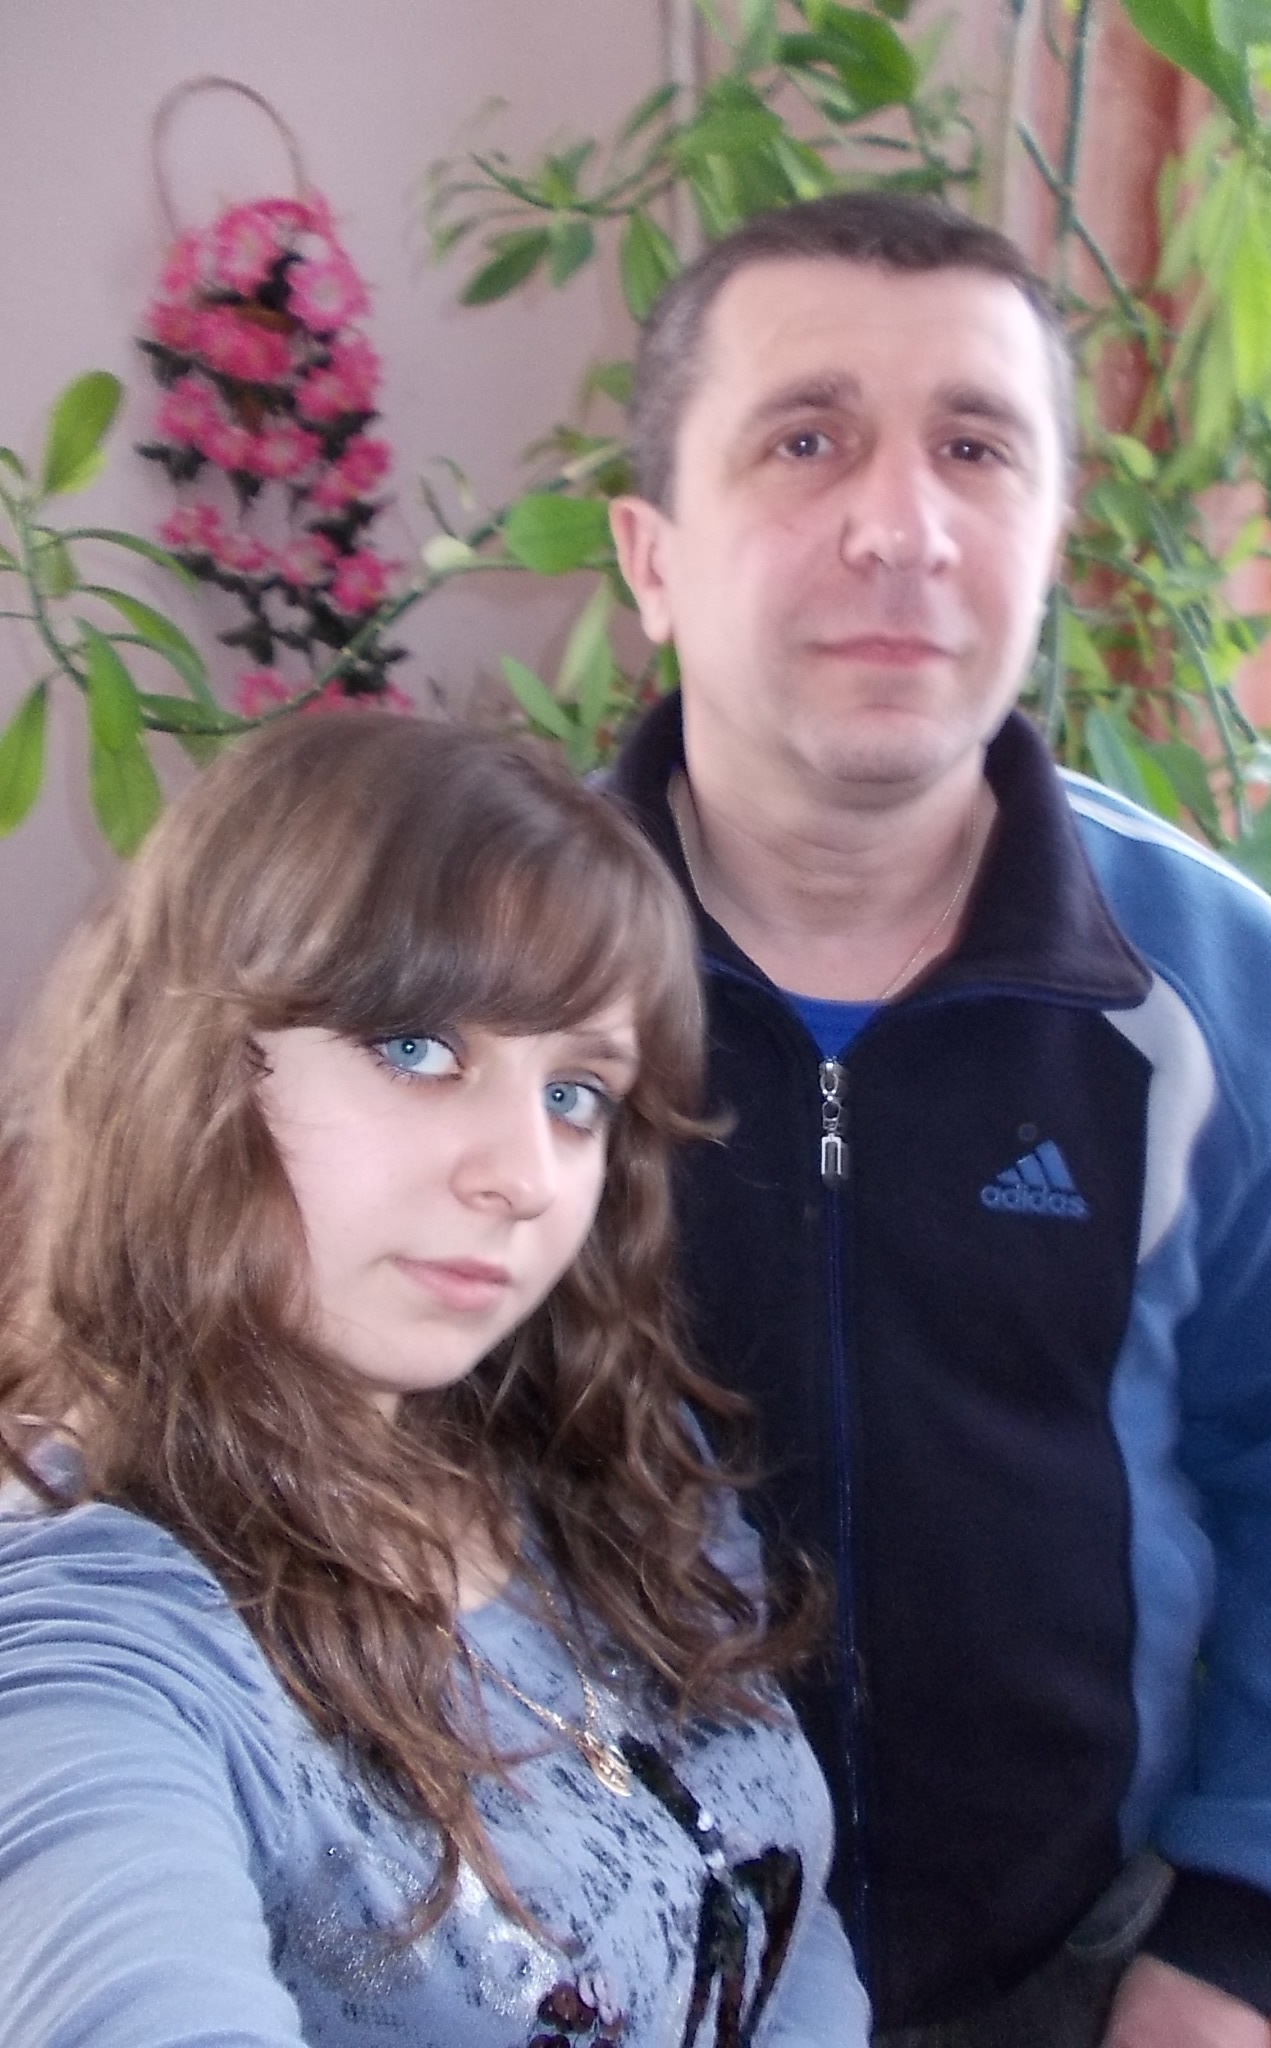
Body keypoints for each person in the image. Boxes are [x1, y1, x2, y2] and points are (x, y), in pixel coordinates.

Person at [604, 192, 1271, 2048]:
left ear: (1047, 542)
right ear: (652, 556)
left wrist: (1224, 1957)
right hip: (594, 1979)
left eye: (976, 449)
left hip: (1070, 1983)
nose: (901, 525)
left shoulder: (1216, 997)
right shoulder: (478, 986)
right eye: (806, 440)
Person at [0, 715, 870, 2048]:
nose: (523, 1175)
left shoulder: (607, 1467)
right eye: (415, 1046)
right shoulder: (96, 1622)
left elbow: (786, 1928)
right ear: (184, 1065)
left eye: (575, 1094)